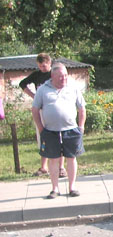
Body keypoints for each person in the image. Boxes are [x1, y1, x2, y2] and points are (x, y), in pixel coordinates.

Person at [32, 63, 86, 199]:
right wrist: (41, 128)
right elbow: (35, 110)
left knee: (71, 158)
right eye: (61, 76)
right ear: (52, 76)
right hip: (50, 131)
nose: (64, 79)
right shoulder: (43, 90)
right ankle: (55, 188)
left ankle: (72, 187)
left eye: (66, 76)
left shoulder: (72, 87)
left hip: (71, 129)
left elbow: (82, 108)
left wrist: (81, 127)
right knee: (53, 159)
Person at [19, 53, 67, 178]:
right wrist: (34, 96)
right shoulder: (36, 75)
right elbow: (22, 84)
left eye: (44, 66)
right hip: (41, 109)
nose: (42, 68)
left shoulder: (54, 74)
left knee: (59, 137)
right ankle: (43, 167)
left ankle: (61, 167)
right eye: (40, 66)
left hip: (55, 108)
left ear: (49, 63)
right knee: (43, 137)